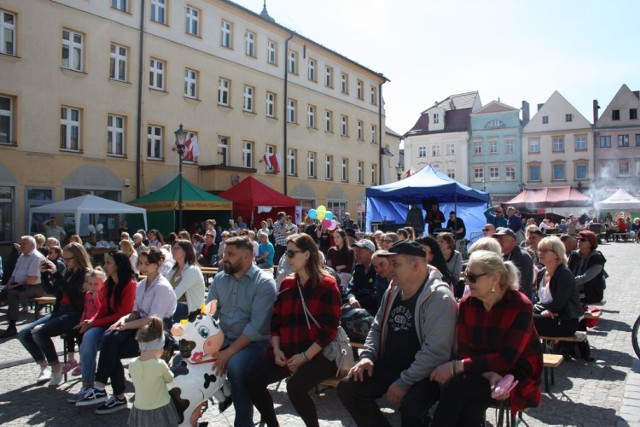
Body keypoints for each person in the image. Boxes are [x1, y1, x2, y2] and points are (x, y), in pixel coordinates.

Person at [338, 240, 457, 426]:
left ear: (416, 265)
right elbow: (377, 327)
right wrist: (367, 356)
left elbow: (436, 352)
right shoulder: (393, 289)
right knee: (348, 387)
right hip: (389, 366)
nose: (390, 270)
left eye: (396, 264)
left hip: (425, 374)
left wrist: (404, 382)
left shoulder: (439, 297)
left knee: (411, 407)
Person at [430, 250, 543, 426]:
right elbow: (464, 349)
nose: (466, 282)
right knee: (467, 395)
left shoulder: (520, 305)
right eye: (466, 275)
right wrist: (487, 373)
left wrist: (456, 367)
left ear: (495, 278)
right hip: (479, 369)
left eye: (473, 277)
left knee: (461, 385)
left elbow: (506, 359)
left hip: (514, 373)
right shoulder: (468, 303)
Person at [247, 233, 342, 427]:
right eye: (286, 254)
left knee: (295, 387)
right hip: (288, 351)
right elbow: (276, 321)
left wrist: (305, 357)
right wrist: (276, 350)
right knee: (252, 378)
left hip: (319, 353)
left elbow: (329, 330)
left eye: (291, 253)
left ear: (307, 254)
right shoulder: (287, 283)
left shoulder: (328, 284)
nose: (286, 258)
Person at [76, 248, 176, 414]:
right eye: (140, 263)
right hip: (140, 325)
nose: (142, 267)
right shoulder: (142, 284)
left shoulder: (162, 287)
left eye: (147, 263)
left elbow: (154, 319)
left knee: (111, 347)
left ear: (158, 264)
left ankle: (115, 394)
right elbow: (135, 311)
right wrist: (123, 320)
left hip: (157, 331)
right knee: (110, 336)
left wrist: (127, 324)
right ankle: (102, 388)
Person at [205, 236, 277, 427]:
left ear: (246, 256)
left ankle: (243, 423)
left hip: (255, 343)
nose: (223, 259)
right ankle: (191, 418)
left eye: (230, 254)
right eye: (224, 253)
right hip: (224, 338)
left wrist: (227, 353)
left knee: (236, 366)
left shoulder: (264, 283)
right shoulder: (220, 279)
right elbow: (209, 314)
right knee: (185, 361)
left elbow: (256, 328)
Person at [17, 242, 91, 386]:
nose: (65, 262)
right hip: (60, 311)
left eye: (68, 259)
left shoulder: (86, 274)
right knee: (23, 334)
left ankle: (55, 368)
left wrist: (57, 274)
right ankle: (44, 366)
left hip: (75, 314)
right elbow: (53, 291)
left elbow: (72, 293)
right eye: (64, 259)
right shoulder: (69, 271)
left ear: (78, 257)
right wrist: (44, 275)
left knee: (39, 333)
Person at [70, 250, 137, 403]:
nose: (104, 266)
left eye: (108, 263)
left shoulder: (130, 284)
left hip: (125, 325)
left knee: (108, 342)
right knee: (88, 337)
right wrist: (90, 322)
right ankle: (87, 385)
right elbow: (103, 309)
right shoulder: (108, 283)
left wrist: (94, 323)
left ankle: (102, 389)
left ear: (118, 265)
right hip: (107, 323)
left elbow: (123, 313)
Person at [127, 316, 179, 427]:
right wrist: (167, 368)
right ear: (159, 347)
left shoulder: (132, 363)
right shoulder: (160, 364)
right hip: (160, 407)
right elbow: (170, 378)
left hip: (140, 408)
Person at [534, 236, 583, 337]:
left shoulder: (564, 274)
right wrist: (539, 309)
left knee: (523, 320)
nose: (540, 253)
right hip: (547, 317)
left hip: (565, 321)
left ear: (556, 254)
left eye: (545, 250)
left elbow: (558, 305)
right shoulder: (542, 272)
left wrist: (536, 308)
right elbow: (539, 300)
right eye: (539, 250)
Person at [62, 267, 107, 377]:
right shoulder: (87, 294)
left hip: (96, 322)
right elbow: (86, 310)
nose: (93, 287)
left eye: (96, 284)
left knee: (82, 337)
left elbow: (100, 310)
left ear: (103, 283)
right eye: (90, 284)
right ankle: (71, 359)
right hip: (86, 320)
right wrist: (81, 322)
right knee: (70, 332)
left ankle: (83, 362)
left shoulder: (102, 295)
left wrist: (96, 299)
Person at [0, 236, 46, 338]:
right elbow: (14, 274)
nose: (21, 245)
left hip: (35, 287)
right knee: (4, 291)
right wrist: (8, 285)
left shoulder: (36, 257)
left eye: (24, 244)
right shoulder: (22, 256)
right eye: (21, 243)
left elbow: (32, 279)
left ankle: (12, 327)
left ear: (32, 245)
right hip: (19, 285)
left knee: (13, 294)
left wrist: (13, 287)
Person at [165, 239, 205, 322]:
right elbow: (164, 287)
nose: (173, 250)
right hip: (175, 306)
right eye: (173, 248)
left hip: (190, 311)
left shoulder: (193, 270)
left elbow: (176, 294)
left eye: (176, 248)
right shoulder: (173, 269)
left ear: (186, 251)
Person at [494, 227, 534, 301]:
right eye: (497, 238)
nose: (498, 241)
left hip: (519, 303)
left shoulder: (522, 256)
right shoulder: (503, 255)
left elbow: (517, 285)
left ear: (513, 240)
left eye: (501, 238)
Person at [568, 230, 607, 304]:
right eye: (578, 239)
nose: (579, 241)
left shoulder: (597, 258)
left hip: (590, 294)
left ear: (591, 243)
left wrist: (567, 282)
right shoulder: (574, 255)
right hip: (574, 290)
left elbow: (585, 277)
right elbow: (567, 272)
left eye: (583, 240)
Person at [346, 239, 378, 315]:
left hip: (373, 310)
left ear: (371, 253)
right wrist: (351, 298)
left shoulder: (378, 269)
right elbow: (351, 287)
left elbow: (376, 295)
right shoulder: (358, 268)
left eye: (360, 251)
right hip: (358, 308)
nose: (356, 254)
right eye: (356, 250)